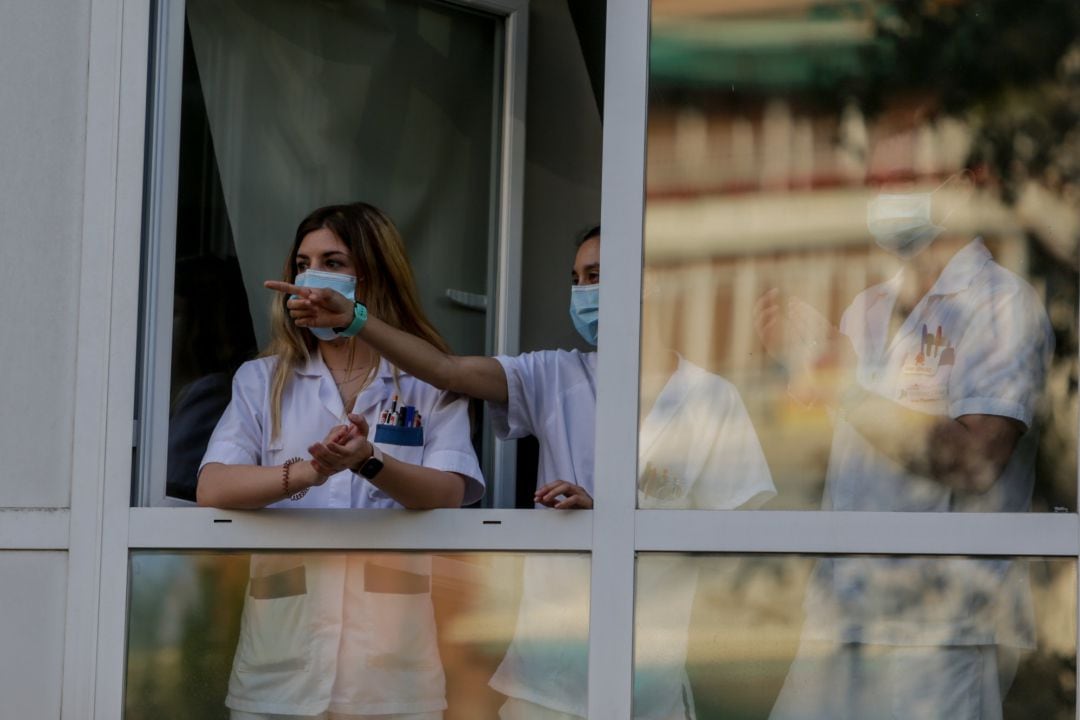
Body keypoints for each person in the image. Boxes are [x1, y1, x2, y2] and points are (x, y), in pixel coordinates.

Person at [268, 225, 776, 719]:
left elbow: (740, 548)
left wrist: (618, 516)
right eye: (577, 279)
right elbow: (447, 372)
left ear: (654, 279)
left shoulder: (711, 398)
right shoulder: (554, 374)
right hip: (546, 677)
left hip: (653, 673)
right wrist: (356, 320)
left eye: (597, 274)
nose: (584, 292)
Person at [756, 169, 1054, 720]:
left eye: (907, 171)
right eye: (879, 172)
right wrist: (815, 367)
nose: (884, 187)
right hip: (843, 617)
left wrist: (835, 379)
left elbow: (975, 461)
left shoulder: (1001, 307)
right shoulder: (869, 309)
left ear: (961, 185)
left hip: (940, 631)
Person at [197, 202, 484, 719]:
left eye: (333, 262)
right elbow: (213, 487)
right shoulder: (262, 379)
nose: (314, 277)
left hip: (392, 674)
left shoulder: (427, 380)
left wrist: (370, 461)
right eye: (303, 264)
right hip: (281, 667)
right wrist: (312, 471)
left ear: (374, 275)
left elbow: (449, 493)